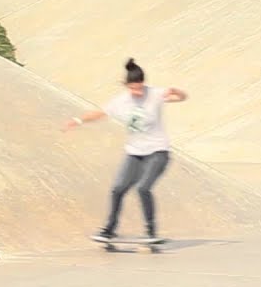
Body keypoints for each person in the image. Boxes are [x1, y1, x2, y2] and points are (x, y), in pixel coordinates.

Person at [63, 58, 187, 243]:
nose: (136, 92)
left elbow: (182, 97)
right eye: (132, 89)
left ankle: (151, 232)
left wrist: (176, 91)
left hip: (158, 152)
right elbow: (100, 113)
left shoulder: (155, 93)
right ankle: (109, 230)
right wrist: (79, 121)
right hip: (135, 153)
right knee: (118, 189)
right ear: (127, 85)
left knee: (143, 188)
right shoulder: (121, 101)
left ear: (143, 83)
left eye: (139, 88)